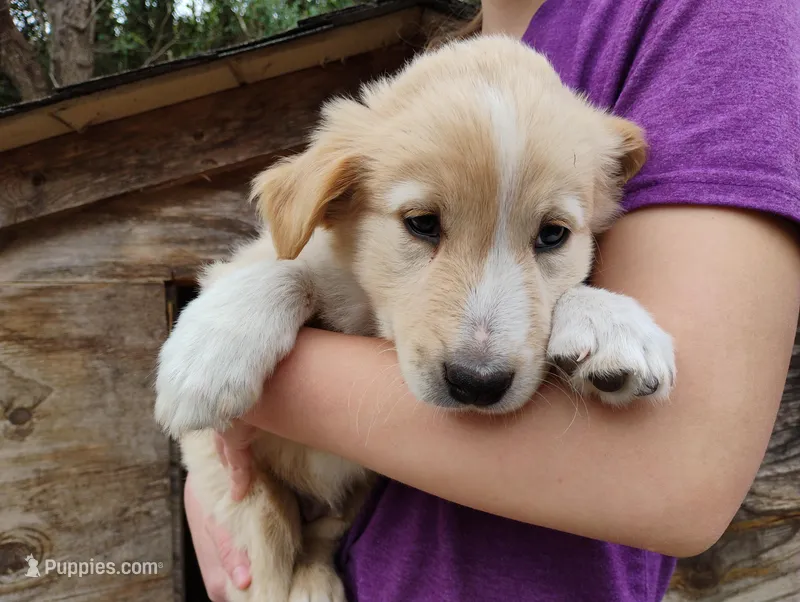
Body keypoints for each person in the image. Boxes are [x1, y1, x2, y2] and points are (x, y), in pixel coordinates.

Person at [184, 0, 800, 600]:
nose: (484, 348)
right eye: (424, 223)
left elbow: (677, 474)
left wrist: (264, 398)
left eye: (551, 234)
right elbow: (266, 282)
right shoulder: (423, 96)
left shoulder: (709, 18)